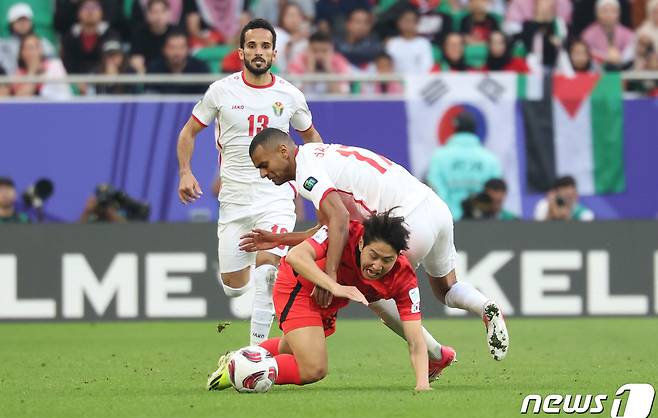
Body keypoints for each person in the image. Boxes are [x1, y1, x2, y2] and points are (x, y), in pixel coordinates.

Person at [245, 129, 510, 361]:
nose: (263, 173)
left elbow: (339, 218)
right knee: (446, 289)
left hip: (405, 222)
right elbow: (326, 229)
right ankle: (485, 307)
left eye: (264, 164)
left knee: (371, 288)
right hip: (434, 208)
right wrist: (279, 239)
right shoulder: (318, 154)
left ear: (283, 151)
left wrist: (331, 276)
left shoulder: (306, 173)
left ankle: (435, 355)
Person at [176, 18, 323, 346]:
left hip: (276, 196)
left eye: (265, 46)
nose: (259, 52)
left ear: (274, 52)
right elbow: (189, 131)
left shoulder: (290, 95)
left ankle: (255, 353)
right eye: (252, 46)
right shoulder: (221, 91)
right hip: (234, 200)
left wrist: (316, 181)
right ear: (240, 51)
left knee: (267, 271)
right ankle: (251, 292)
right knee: (234, 284)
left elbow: (311, 136)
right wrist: (185, 171)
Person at [208, 211, 457, 392]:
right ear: (361, 242)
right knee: (313, 368)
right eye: (373, 255)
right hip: (297, 285)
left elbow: (415, 339)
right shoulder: (345, 232)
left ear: (398, 257)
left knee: (291, 347)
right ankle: (242, 371)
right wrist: (333, 285)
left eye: (387, 260)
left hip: (327, 301)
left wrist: (422, 385)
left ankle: (237, 358)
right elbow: (296, 257)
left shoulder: (404, 279)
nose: (377, 266)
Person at [426, 111, 502, 220]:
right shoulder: (490, 159)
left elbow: (436, 188)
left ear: (455, 129)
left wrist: (451, 212)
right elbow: (495, 191)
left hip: (448, 220)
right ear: (475, 129)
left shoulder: (439, 157)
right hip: (482, 222)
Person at [60, 0, 118, 75]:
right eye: (86, 8)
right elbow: (66, 65)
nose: (90, 12)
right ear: (78, 12)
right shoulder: (70, 37)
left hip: (102, 82)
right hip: (75, 82)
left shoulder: (110, 35)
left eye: (94, 7)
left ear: (102, 12)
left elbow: (114, 60)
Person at [145, 29, 209, 94]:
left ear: (188, 49)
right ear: (164, 49)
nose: (177, 52)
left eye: (181, 47)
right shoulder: (154, 68)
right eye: (172, 48)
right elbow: (150, 96)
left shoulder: (200, 68)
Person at [0, 3, 56, 75]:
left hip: (41, 81)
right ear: (11, 23)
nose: (23, 23)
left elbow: (52, 66)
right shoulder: (3, 45)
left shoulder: (44, 43)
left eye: (26, 20)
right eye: (19, 20)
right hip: (12, 83)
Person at [11, 34, 72, 99]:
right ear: (22, 53)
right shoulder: (19, 73)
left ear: (41, 50)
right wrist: (32, 72)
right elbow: (20, 100)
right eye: (29, 48)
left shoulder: (54, 65)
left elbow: (63, 94)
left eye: (36, 47)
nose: (33, 52)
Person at [581, 0, 635, 70]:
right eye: (604, 11)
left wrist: (619, 58)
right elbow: (587, 54)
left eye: (613, 11)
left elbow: (630, 53)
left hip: (623, 72)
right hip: (596, 73)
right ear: (597, 13)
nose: (608, 15)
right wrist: (607, 58)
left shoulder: (628, 34)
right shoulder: (588, 34)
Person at [129, 0, 176, 74]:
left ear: (169, 13)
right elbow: (136, 59)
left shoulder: (176, 33)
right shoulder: (139, 34)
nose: (158, 16)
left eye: (162, 11)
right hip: (148, 75)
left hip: (172, 74)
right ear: (147, 14)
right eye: (154, 12)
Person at [385, 7, 433, 74]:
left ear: (417, 23)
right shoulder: (392, 43)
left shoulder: (424, 43)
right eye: (405, 20)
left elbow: (427, 67)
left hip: (418, 81)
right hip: (396, 82)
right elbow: (387, 66)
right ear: (399, 23)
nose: (408, 24)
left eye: (411, 21)